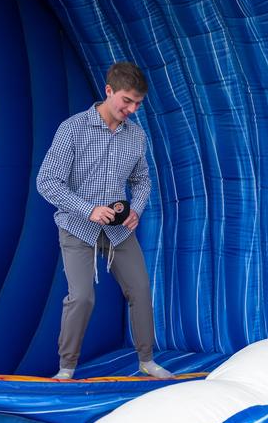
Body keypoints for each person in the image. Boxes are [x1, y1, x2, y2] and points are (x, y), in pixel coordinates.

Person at [37, 62, 172, 380]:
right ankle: (66, 369)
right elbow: (47, 181)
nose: (132, 109)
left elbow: (142, 180)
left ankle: (147, 361)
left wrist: (136, 208)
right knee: (82, 297)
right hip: (77, 225)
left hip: (118, 230)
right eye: (127, 100)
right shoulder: (72, 129)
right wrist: (88, 209)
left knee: (141, 290)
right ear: (109, 91)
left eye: (138, 103)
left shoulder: (136, 136)